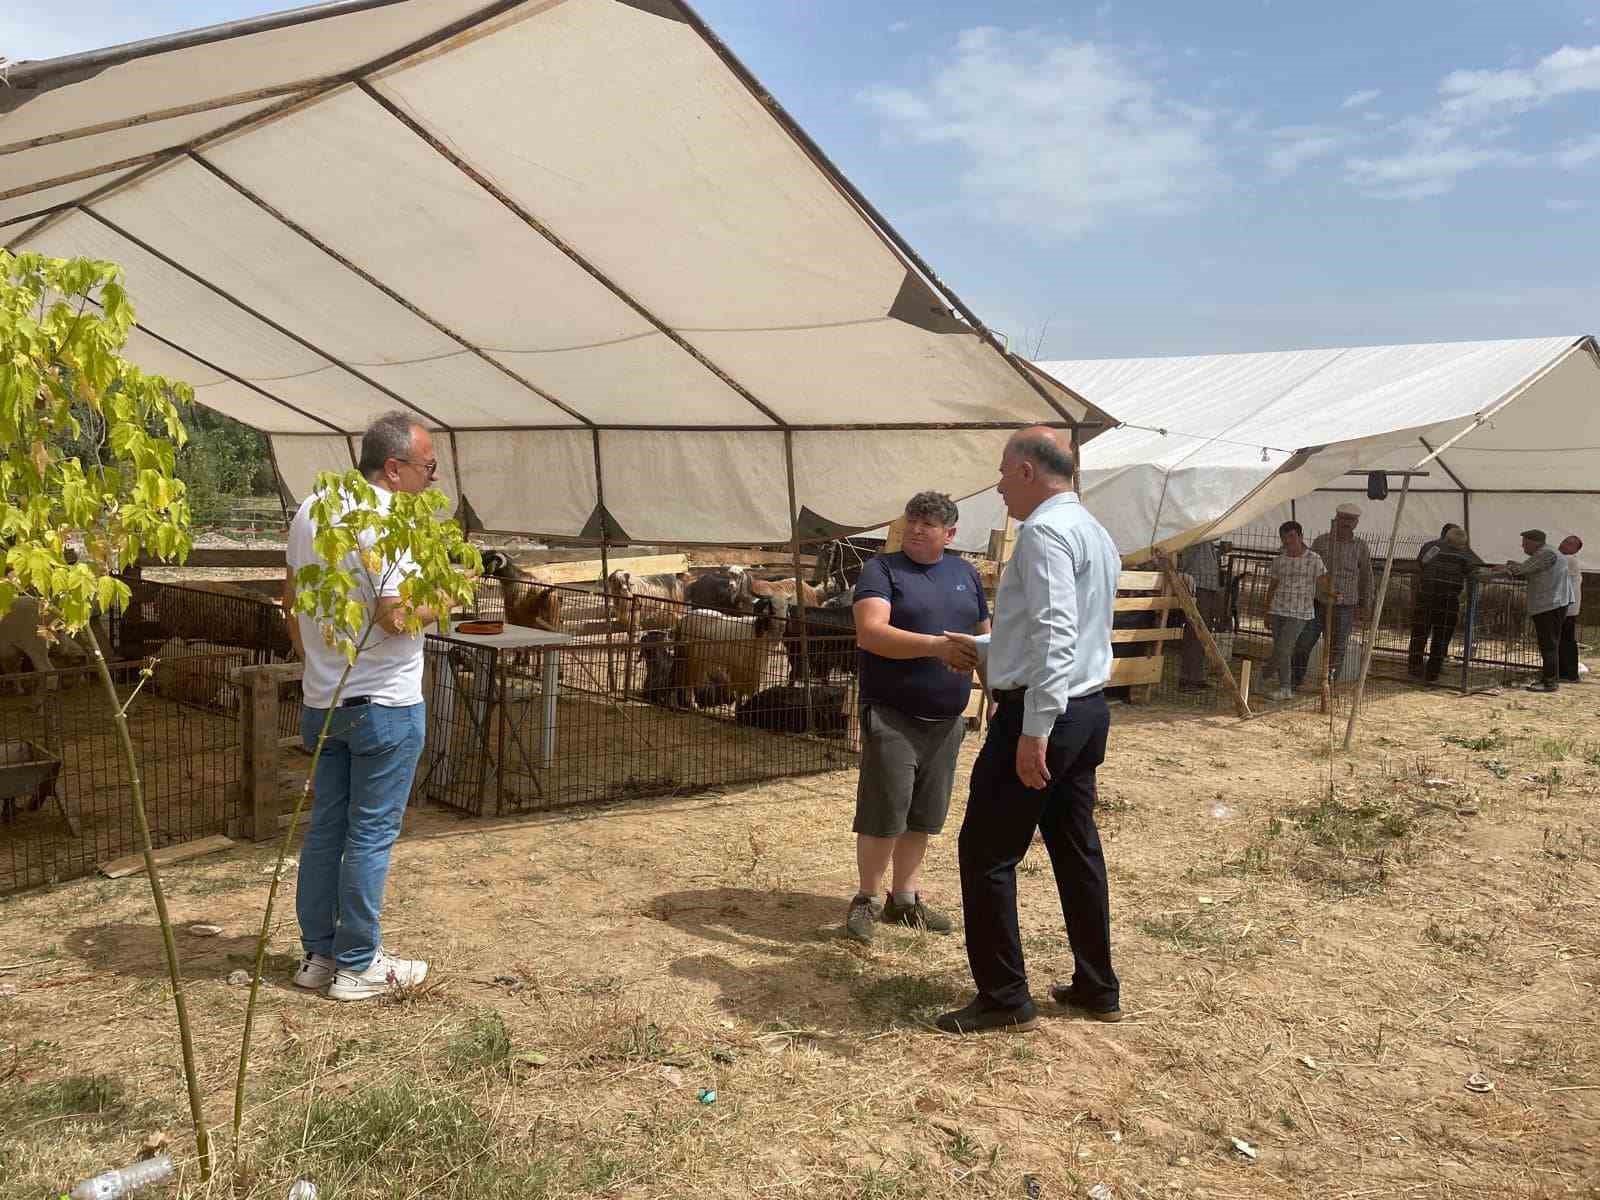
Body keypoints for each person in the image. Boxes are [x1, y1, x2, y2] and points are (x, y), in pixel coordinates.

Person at [936, 427, 1121, 1035]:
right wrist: (987, 648)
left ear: (1024, 471)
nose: (997, 484)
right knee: (1075, 849)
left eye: (1001, 471)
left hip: (1045, 715)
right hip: (1086, 709)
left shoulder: (1042, 533)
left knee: (987, 852)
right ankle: (1097, 984)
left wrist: (1033, 730)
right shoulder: (1093, 530)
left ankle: (1004, 996)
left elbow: (1055, 635)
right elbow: (1068, 632)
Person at [284, 411, 442, 1001]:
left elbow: (290, 596)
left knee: (327, 830)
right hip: (385, 703)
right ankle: (358, 965)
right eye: (427, 467)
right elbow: (396, 615)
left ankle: (319, 957)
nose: (432, 478)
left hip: (325, 699)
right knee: (371, 835)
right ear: (394, 469)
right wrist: (446, 597)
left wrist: (316, 666)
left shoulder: (313, 510)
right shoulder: (388, 519)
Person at [846, 492, 990, 942]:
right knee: (884, 809)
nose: (915, 529)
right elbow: (871, 633)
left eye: (927, 523)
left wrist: (998, 694)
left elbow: (984, 637)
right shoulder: (882, 569)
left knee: (924, 814)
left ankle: (903, 900)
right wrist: (936, 646)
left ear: (950, 533)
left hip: (946, 718)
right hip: (893, 713)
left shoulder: (965, 572)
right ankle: (867, 898)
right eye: (911, 521)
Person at [1293, 503, 1372, 689]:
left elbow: (1366, 576)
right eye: (1343, 518)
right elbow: (1308, 568)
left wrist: (1365, 603)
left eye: (1351, 520)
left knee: (1338, 646)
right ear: (1336, 519)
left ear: (1356, 523)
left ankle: (1328, 685)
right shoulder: (1322, 542)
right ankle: (1295, 680)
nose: (1346, 523)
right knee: (1304, 642)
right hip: (1318, 602)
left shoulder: (1360, 547)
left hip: (1346, 605)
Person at [1408, 524, 1486, 684]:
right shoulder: (1464, 553)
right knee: (1441, 637)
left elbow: (1421, 564)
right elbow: (1474, 570)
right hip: (1447, 598)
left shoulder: (1431, 547)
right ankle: (1432, 673)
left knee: (1420, 632)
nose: (1455, 549)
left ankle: (1415, 667)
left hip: (1427, 596)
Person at [1501, 529, 1573, 694]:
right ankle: (1548, 678)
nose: (1523, 546)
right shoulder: (1546, 554)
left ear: (1536, 542)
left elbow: (1521, 571)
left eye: (1525, 543)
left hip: (1550, 604)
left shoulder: (1545, 554)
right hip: (1551, 603)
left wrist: (1506, 567)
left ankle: (1550, 682)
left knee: (1548, 644)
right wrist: (1513, 565)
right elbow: (1528, 568)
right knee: (1548, 643)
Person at [1262, 521, 1325, 701]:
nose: (1288, 541)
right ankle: (1274, 682)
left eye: (1291, 536)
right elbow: (1272, 586)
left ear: (1300, 536)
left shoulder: (1314, 559)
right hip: (1278, 609)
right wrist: (1266, 611)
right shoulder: (1279, 561)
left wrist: (1333, 593)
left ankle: (1276, 682)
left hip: (1300, 612)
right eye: (1284, 537)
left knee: (1284, 648)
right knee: (1281, 649)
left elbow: (1323, 580)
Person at [1177, 539, 1224, 692]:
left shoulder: (1209, 541)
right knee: (1195, 634)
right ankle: (1188, 678)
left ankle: (1196, 676)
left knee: (1203, 635)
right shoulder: (1198, 537)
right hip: (1198, 587)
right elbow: (1185, 562)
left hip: (1208, 587)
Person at [1559, 535, 1584, 683]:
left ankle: (1568, 673)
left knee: (1565, 640)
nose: (1563, 544)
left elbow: (1547, 569)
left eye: (1569, 544)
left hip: (1566, 607)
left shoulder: (1568, 560)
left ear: (1575, 549)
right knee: (1565, 640)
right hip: (1568, 606)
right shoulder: (1566, 559)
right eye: (1564, 541)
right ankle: (1567, 673)